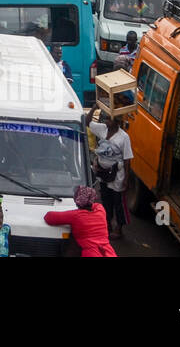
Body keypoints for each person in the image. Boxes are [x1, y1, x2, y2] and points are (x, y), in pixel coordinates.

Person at [88, 110, 133, 238]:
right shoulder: (102, 129)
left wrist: (126, 179)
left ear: (117, 122)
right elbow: (87, 122)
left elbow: (127, 159)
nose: (106, 121)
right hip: (103, 174)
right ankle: (107, 225)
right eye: (106, 118)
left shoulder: (124, 137)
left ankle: (119, 229)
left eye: (109, 119)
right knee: (106, 201)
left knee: (118, 203)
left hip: (117, 176)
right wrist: (94, 107)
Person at [43, 185, 117, 257]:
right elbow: (95, 205)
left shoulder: (75, 216)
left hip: (91, 253)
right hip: (107, 251)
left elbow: (49, 217)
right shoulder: (100, 209)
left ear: (76, 200)